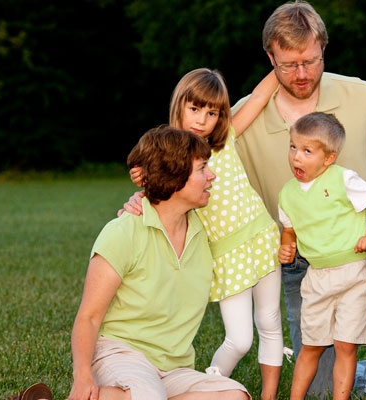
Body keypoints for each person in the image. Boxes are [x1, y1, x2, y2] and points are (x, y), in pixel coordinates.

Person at [232, 2, 366, 399]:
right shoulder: (244, 119)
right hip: (300, 261)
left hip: (363, 243)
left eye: (310, 60)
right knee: (318, 392)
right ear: (269, 57)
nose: (302, 74)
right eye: (288, 65)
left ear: (324, 48)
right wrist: (142, 197)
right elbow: (193, 159)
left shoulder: (363, 97)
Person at [123, 69, 284, 400]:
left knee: (269, 323)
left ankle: (270, 397)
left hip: (262, 238)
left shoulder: (226, 140)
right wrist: (135, 200)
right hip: (227, 257)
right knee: (240, 340)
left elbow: (257, 97)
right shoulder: (171, 159)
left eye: (212, 113)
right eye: (195, 109)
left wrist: (282, 64)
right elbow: (154, 194)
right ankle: (210, 385)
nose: (202, 120)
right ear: (179, 105)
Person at [67, 126, 250, 400]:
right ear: (175, 176)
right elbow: (89, 316)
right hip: (122, 354)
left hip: (174, 368)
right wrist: (82, 377)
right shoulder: (123, 232)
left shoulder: (204, 227)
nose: (211, 175)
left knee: (235, 395)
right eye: (202, 169)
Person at [276, 113, 366, 400]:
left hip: (353, 274)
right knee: (311, 346)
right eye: (293, 147)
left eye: (307, 151)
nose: (297, 157)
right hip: (317, 278)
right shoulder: (287, 194)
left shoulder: (343, 179)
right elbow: (290, 230)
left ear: (328, 158)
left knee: (345, 345)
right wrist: (286, 246)